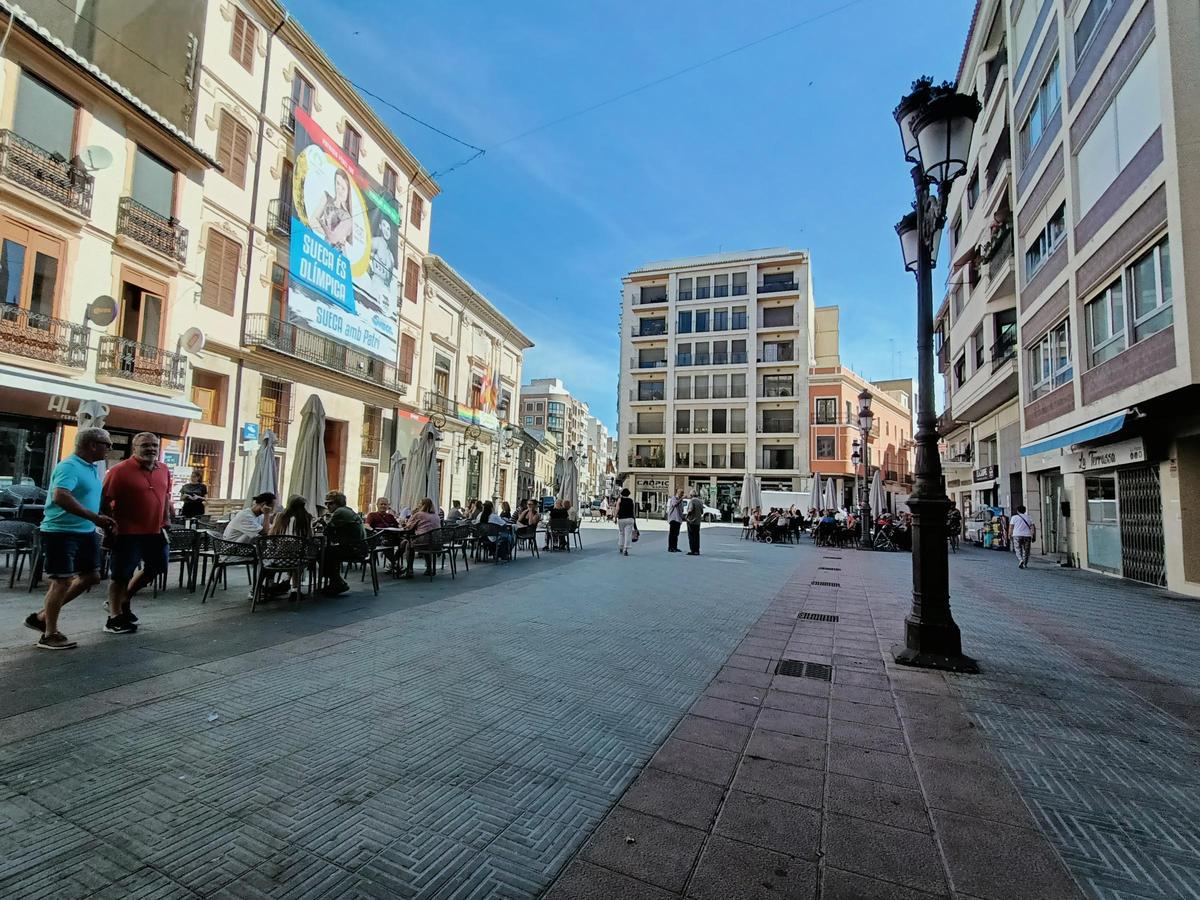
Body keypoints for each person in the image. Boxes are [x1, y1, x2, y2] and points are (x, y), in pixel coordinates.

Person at [23, 428, 115, 650]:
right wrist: (95, 517)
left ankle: (42, 616)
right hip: (61, 531)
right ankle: (49, 634)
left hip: (85, 531)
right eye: (107, 444)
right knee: (61, 581)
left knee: (92, 576)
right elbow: (61, 495)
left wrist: (104, 517)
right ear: (93, 445)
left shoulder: (92, 468)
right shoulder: (69, 466)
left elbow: (91, 497)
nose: (109, 448)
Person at [102, 432, 172, 635]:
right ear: (134, 448)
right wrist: (110, 525)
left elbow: (165, 496)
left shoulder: (164, 469)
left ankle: (124, 599)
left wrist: (166, 518)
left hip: (155, 530)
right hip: (127, 532)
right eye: (145, 445)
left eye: (154, 445)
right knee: (121, 575)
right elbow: (105, 500)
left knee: (157, 566)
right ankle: (113, 618)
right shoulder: (120, 471)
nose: (151, 449)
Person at [321, 491, 365, 595]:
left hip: (354, 549)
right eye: (326, 503)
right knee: (328, 552)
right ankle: (335, 582)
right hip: (359, 546)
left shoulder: (339, 512)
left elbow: (327, 532)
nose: (327, 506)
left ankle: (337, 583)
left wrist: (323, 523)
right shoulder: (347, 510)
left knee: (323, 554)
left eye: (330, 503)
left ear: (338, 503)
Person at [268, 495, 312, 599]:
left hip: (275, 559)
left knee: (290, 553)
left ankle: (273, 584)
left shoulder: (279, 516)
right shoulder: (305, 518)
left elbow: (272, 534)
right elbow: (309, 537)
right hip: (296, 559)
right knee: (298, 556)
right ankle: (295, 589)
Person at [401, 498, 441, 577]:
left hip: (425, 541)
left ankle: (409, 570)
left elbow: (408, 527)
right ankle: (429, 568)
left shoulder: (419, 514)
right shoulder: (436, 515)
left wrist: (412, 515)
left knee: (409, 545)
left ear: (423, 505)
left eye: (419, 503)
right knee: (426, 542)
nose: (418, 505)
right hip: (437, 543)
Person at [315, 168, 353, 252]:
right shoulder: (326, 197)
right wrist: (328, 234)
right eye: (338, 183)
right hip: (325, 247)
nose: (339, 189)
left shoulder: (347, 217)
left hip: (337, 254)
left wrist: (321, 223)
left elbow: (333, 238)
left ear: (348, 191)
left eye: (343, 188)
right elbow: (313, 221)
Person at [1009, 505, 1036, 569]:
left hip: (1017, 535)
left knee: (1018, 549)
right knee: (1026, 550)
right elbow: (1032, 527)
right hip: (1027, 536)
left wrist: (1009, 534)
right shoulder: (1029, 517)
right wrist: (1033, 535)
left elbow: (1011, 527)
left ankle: (1020, 560)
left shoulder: (1014, 517)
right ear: (1025, 511)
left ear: (1017, 511)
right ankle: (1025, 563)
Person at [615, 488, 636, 556]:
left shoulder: (620, 500)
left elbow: (617, 509)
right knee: (628, 534)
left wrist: (615, 517)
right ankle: (625, 549)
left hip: (621, 519)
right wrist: (634, 520)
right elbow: (633, 511)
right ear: (628, 494)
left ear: (622, 494)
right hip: (630, 519)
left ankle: (621, 546)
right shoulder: (631, 501)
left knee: (621, 533)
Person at [685, 490, 704, 555]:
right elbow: (702, 512)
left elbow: (690, 510)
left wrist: (687, 516)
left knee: (691, 536)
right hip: (698, 521)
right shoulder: (700, 501)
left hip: (691, 521)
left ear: (691, 495)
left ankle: (693, 550)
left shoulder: (692, 501)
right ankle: (697, 550)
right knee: (697, 536)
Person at [665, 489, 684, 553]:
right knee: (672, 534)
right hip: (673, 519)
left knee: (676, 534)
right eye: (681, 493)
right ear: (677, 493)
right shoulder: (674, 498)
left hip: (678, 519)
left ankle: (675, 547)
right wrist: (681, 499)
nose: (682, 494)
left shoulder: (681, 501)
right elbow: (674, 504)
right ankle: (670, 547)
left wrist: (682, 518)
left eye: (682, 493)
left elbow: (682, 509)